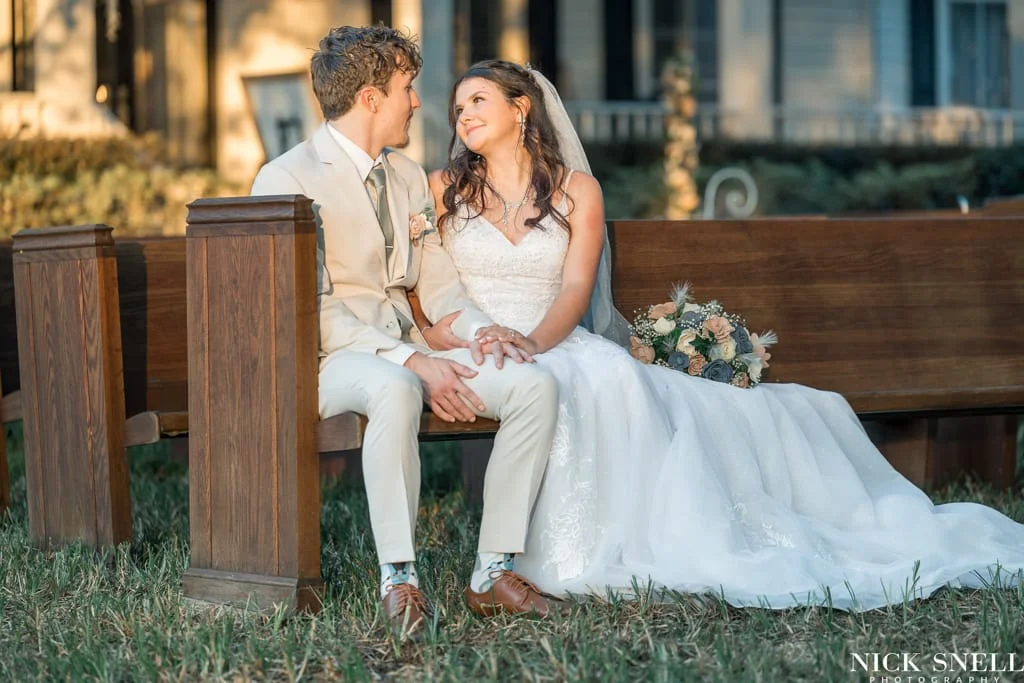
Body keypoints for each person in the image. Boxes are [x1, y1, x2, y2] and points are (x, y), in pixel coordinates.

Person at [421, 59, 1024, 611]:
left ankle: (589, 548)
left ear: (520, 107)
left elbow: (576, 291)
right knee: (560, 386)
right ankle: (511, 561)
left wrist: (533, 343)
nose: (464, 116)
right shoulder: (441, 189)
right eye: (459, 109)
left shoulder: (578, 191)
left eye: (477, 101)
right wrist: (462, 339)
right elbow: (425, 284)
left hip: (549, 337)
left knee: (607, 381)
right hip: (471, 342)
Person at [251, 30, 565, 637]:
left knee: (533, 385)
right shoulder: (285, 178)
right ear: (370, 99)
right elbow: (307, 309)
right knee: (394, 388)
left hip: (409, 349)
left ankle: (492, 571)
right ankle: (400, 578)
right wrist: (411, 363)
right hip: (326, 359)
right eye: (406, 89)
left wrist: (479, 331)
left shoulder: (406, 175)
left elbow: (437, 280)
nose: (418, 103)